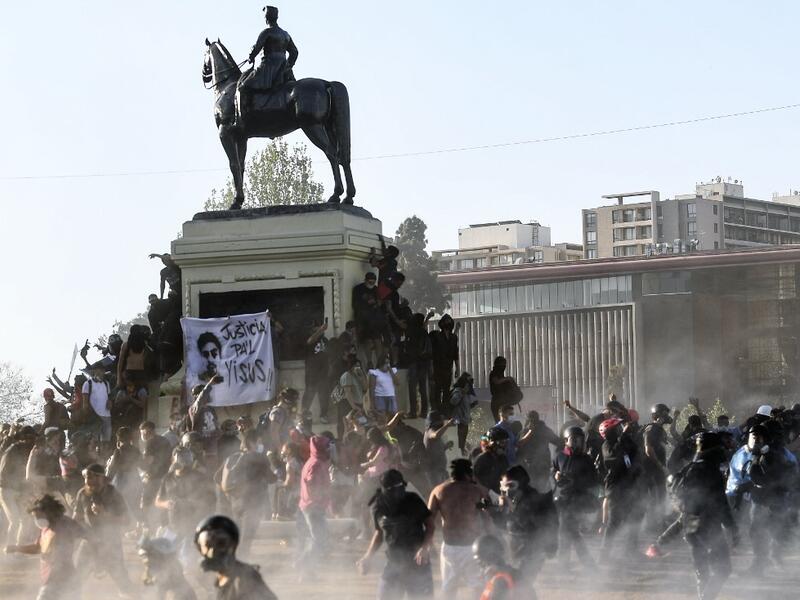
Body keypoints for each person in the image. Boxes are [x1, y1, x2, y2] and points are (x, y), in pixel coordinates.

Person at [670, 432, 739, 600]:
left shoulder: (690, 468)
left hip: (691, 526)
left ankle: (704, 596)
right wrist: (732, 528)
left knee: (702, 570)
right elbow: (720, 503)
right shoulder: (709, 470)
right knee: (723, 569)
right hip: (708, 526)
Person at [357, 469, 435, 599]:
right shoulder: (378, 507)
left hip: (418, 562)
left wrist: (424, 547)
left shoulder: (413, 500)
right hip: (394, 562)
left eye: (400, 488)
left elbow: (430, 526)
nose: (397, 493)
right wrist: (367, 557)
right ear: (384, 489)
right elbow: (379, 533)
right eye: (392, 489)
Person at [5, 494, 87, 600]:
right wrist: (16, 548)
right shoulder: (46, 528)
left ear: (49, 512)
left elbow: (86, 534)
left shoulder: (65, 524)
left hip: (64, 579)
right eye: (35, 517)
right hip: (51, 578)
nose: (36, 520)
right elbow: (38, 547)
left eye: (38, 516)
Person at [428, 459, 490, 595]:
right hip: (472, 547)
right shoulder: (478, 491)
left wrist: (428, 543)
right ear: (469, 474)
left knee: (449, 588)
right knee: (478, 586)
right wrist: (492, 539)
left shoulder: (438, 491)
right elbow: (487, 518)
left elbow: (429, 520)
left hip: (450, 546)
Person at [494, 466, 558, 594]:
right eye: (504, 486)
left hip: (532, 551)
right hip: (516, 550)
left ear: (521, 484)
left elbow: (528, 524)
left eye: (510, 485)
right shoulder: (514, 499)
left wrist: (511, 509)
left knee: (521, 586)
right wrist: (496, 511)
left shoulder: (532, 499)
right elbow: (502, 524)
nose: (506, 490)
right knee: (517, 586)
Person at [72, 464, 134, 594]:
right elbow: (76, 518)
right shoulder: (82, 493)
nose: (86, 481)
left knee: (123, 581)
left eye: (90, 477)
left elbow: (127, 520)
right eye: (85, 477)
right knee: (75, 580)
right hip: (89, 542)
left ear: (100, 478)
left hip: (110, 543)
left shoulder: (114, 494)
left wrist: (106, 515)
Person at [217, 430, 275, 557]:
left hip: (235, 504)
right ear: (251, 443)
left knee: (237, 536)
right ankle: (240, 567)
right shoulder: (260, 458)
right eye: (259, 442)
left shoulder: (232, 457)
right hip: (253, 504)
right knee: (246, 539)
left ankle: (231, 561)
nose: (261, 445)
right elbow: (272, 479)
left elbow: (216, 477)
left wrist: (229, 495)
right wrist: (273, 464)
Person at [194, 515, 278, 600]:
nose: (213, 551)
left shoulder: (245, 580)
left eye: (220, 544)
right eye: (207, 545)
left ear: (232, 545)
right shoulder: (209, 578)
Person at [595, 416, 644, 559]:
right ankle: (604, 553)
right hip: (616, 488)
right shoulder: (606, 446)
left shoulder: (622, 441)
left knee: (636, 516)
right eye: (616, 428)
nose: (619, 429)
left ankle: (631, 550)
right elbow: (614, 457)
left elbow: (633, 452)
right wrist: (623, 435)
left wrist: (628, 434)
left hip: (629, 486)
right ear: (608, 432)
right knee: (615, 521)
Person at [552, 426, 597, 568]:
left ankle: (570, 564)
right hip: (562, 500)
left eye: (580, 440)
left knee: (568, 531)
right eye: (574, 439)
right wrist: (556, 476)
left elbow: (593, 480)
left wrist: (575, 480)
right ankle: (584, 564)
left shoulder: (586, 459)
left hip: (578, 500)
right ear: (566, 440)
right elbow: (552, 474)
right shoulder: (559, 456)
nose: (578, 442)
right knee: (569, 532)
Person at [156, 447, 217, 553]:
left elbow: (211, 500)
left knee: (187, 561)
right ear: (173, 459)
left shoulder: (199, 478)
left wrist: (192, 503)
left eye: (185, 458)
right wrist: (166, 504)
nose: (183, 462)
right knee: (161, 555)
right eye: (180, 458)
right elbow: (158, 501)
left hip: (192, 527)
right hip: (173, 526)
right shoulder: (168, 478)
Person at [297, 435, 331, 575]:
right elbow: (312, 485)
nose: (330, 448)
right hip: (313, 507)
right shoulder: (316, 464)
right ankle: (302, 564)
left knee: (316, 539)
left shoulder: (315, 461)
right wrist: (320, 500)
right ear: (321, 448)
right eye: (327, 446)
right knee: (319, 540)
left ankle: (307, 570)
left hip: (312, 506)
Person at [0, 425, 37, 546]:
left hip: (20, 490)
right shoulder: (12, 450)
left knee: (25, 519)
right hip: (7, 490)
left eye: (33, 438)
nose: (32, 441)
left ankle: (19, 548)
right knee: (14, 520)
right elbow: (3, 474)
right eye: (30, 438)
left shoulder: (30, 452)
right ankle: (9, 550)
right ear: (23, 438)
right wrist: (17, 485)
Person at [641, 403, 672, 531]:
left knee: (659, 495)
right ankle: (654, 525)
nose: (667, 416)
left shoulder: (658, 429)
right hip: (652, 469)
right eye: (665, 414)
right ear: (658, 415)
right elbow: (648, 449)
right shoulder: (652, 428)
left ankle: (657, 523)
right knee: (656, 496)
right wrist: (661, 466)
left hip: (655, 469)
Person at [138, 421, 173, 533]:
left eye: (144, 434)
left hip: (153, 478)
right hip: (166, 476)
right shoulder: (165, 440)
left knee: (145, 503)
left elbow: (148, 462)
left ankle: (146, 528)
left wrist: (137, 463)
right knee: (162, 502)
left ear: (150, 432)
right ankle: (164, 527)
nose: (143, 436)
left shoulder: (150, 443)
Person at [516, 410, 560, 491]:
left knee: (539, 488)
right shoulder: (526, 431)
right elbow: (518, 446)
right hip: (531, 465)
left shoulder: (543, 430)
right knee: (534, 488)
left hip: (540, 464)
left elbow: (559, 442)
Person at [404, 312, 433, 419]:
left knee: (412, 388)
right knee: (423, 389)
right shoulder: (424, 333)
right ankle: (424, 412)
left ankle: (413, 412)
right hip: (424, 364)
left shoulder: (411, 332)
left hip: (414, 363)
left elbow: (408, 349)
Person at [429, 315, 459, 414]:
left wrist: (457, 368)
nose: (448, 323)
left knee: (446, 390)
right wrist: (432, 368)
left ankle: (445, 411)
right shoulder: (436, 336)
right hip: (438, 367)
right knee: (438, 389)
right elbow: (432, 354)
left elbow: (455, 354)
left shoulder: (454, 337)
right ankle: (437, 410)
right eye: (446, 321)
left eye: (449, 321)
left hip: (448, 368)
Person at [302, 320, 331, 423]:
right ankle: (303, 416)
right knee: (309, 394)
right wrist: (321, 330)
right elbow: (309, 341)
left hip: (323, 373)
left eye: (320, 327)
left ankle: (324, 415)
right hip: (312, 374)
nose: (320, 328)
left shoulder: (325, 340)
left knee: (324, 395)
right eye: (317, 327)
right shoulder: (310, 338)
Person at [474, 427, 511, 495]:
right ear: (492, 443)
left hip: (495, 495)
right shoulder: (482, 459)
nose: (505, 446)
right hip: (480, 495)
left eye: (506, 442)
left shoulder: (503, 459)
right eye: (502, 442)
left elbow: (504, 476)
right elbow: (473, 479)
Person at [81, 366, 112, 443]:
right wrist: (88, 416)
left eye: (102, 370)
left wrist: (110, 402)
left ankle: (104, 454)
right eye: (99, 370)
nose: (101, 372)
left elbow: (109, 397)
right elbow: (85, 404)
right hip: (95, 417)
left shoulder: (106, 383)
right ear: (94, 371)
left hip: (107, 416)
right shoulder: (88, 384)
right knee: (94, 441)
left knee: (106, 441)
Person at [448, 372, 477, 456]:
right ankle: (461, 453)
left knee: (463, 439)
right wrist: (462, 392)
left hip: (464, 420)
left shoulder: (466, 394)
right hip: (459, 420)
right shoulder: (458, 391)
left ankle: (463, 451)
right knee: (460, 440)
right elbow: (453, 402)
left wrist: (472, 405)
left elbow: (465, 407)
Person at [422, 412, 454, 485]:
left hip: (441, 470)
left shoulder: (435, 432)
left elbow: (436, 450)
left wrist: (446, 446)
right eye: (440, 420)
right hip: (434, 471)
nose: (442, 422)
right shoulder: (429, 431)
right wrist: (447, 425)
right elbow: (435, 435)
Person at [488, 357, 520, 422]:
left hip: (503, 401)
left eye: (504, 364)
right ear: (497, 364)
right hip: (497, 402)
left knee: (507, 422)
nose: (504, 366)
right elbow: (496, 381)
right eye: (502, 364)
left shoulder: (501, 375)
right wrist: (508, 379)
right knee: (500, 422)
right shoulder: (493, 373)